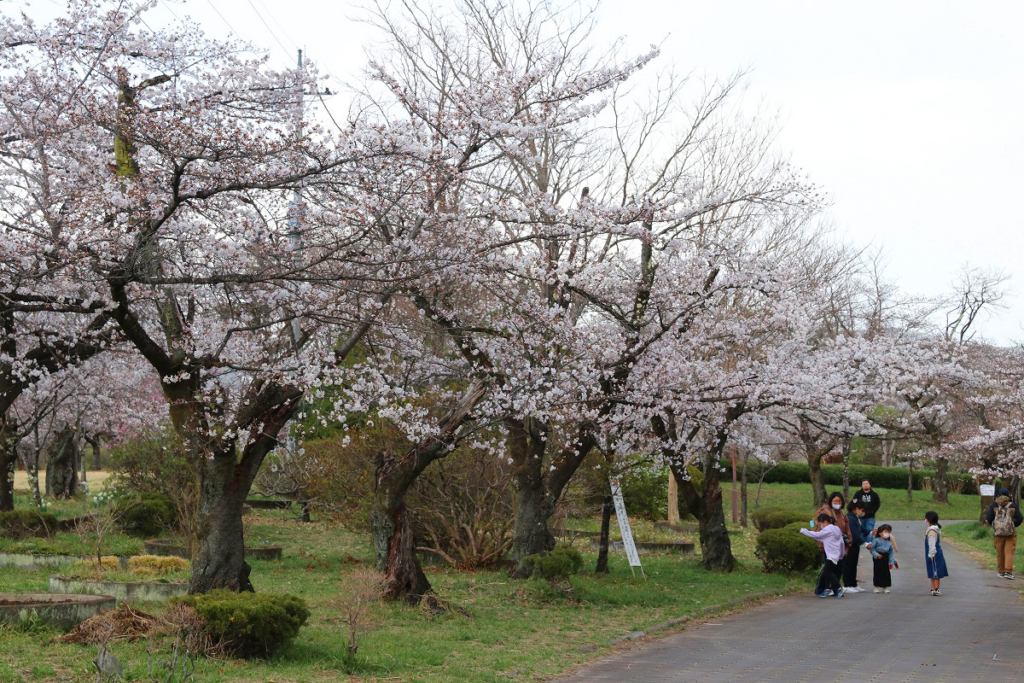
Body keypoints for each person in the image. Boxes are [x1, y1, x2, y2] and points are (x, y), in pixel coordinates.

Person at [800, 514, 845, 598]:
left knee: (828, 571)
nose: (820, 526)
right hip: (836, 555)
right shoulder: (836, 529)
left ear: (825, 522)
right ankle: (828, 589)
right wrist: (842, 555)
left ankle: (838, 588)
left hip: (831, 555)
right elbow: (841, 542)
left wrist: (804, 531)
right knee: (828, 572)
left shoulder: (827, 529)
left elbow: (817, 535)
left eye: (820, 523)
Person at [985, 488, 1023, 579]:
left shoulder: (994, 505)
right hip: (1011, 533)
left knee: (1000, 553)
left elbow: (989, 518)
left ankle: (1001, 572)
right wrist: (1013, 525)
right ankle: (1008, 572)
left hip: (998, 533)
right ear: (1008, 496)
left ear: (998, 495)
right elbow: (1020, 518)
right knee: (1009, 552)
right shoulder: (1013, 505)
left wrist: (995, 526)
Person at [842, 501, 867, 592]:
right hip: (850, 544)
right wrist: (864, 542)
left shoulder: (855, 518)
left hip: (855, 545)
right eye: (862, 509)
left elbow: (861, 529)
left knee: (854, 564)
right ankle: (847, 585)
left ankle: (853, 583)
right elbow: (854, 534)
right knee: (849, 564)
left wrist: (871, 532)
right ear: (856, 508)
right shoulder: (850, 518)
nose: (863, 512)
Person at [925, 511, 948, 596]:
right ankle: (932, 588)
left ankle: (936, 589)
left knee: (935, 571)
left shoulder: (932, 531)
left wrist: (931, 554)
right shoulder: (933, 529)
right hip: (933, 554)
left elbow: (932, 544)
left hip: (934, 554)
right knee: (932, 570)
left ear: (928, 520)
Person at [866, 523, 895, 593]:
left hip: (885, 557)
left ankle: (885, 586)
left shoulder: (889, 543)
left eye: (888, 532)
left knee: (886, 572)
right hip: (878, 557)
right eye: (885, 532)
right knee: (877, 571)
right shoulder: (876, 540)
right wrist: (876, 554)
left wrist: (891, 562)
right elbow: (872, 549)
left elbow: (891, 552)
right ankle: (876, 586)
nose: (887, 534)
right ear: (880, 533)